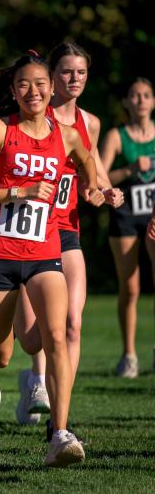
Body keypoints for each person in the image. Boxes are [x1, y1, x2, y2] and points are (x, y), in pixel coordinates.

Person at [0, 51, 104, 467]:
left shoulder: (69, 135)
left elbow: (88, 165)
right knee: (3, 353)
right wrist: (17, 192)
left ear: (52, 87)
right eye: (24, 84)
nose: (34, 91)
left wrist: (94, 188)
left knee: (56, 336)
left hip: (44, 251)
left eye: (41, 84)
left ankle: (60, 434)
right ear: (13, 89)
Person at [12, 43, 123, 431]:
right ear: (52, 75)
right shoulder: (30, 117)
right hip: (27, 232)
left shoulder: (89, 124)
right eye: (66, 72)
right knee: (33, 339)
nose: (74, 79)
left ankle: (60, 419)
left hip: (67, 229)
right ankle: (34, 378)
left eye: (81, 73)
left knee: (72, 325)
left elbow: (92, 174)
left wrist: (105, 191)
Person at [101, 77, 155, 378]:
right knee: (130, 288)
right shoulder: (117, 136)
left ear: (153, 101)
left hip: (154, 215)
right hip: (126, 216)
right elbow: (102, 177)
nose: (140, 100)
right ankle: (129, 355)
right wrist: (130, 169)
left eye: (146, 95)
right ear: (126, 102)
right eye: (134, 95)